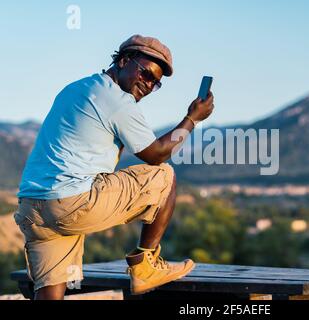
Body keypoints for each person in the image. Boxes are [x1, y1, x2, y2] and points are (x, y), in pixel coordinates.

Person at [14, 34, 214, 300]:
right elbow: (157, 154)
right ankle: (145, 267)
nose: (148, 84)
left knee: (51, 289)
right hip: (70, 204)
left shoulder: (76, 88)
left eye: (155, 83)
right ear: (123, 60)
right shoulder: (117, 100)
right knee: (163, 176)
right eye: (145, 74)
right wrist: (192, 119)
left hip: (33, 208)